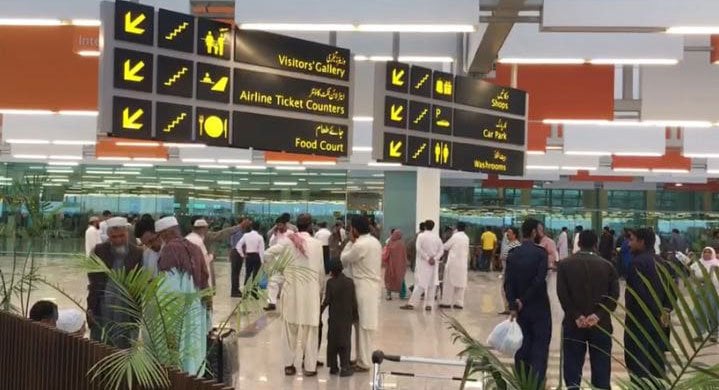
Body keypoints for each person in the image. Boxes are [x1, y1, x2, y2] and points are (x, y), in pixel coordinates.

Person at [557, 230, 620, 389]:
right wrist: (598, 315)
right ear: (596, 244)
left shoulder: (565, 264)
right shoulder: (608, 266)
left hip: (573, 324)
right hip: (601, 325)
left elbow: (562, 294)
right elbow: (614, 295)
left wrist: (576, 315)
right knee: (601, 367)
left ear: (578, 244)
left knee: (572, 366)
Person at [264, 213, 324, 376]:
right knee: (311, 332)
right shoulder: (317, 245)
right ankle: (310, 367)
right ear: (311, 226)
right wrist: (320, 292)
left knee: (289, 331)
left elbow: (267, 254)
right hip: (311, 295)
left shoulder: (287, 242)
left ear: (297, 226)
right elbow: (321, 272)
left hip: (291, 293)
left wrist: (278, 270)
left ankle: (289, 365)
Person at [155, 216, 210, 376]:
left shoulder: (169, 250)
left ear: (164, 234)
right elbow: (205, 281)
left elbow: (168, 290)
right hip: (195, 308)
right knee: (194, 347)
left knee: (178, 351)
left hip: (177, 314)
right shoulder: (195, 248)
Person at [504, 218, 551, 388]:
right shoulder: (541, 253)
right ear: (532, 232)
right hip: (539, 309)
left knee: (521, 347)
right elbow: (539, 280)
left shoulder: (513, 253)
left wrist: (514, 304)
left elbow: (507, 282)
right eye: (539, 230)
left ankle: (521, 383)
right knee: (539, 348)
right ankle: (536, 385)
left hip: (520, 311)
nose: (541, 233)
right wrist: (523, 300)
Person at [87, 217, 143, 348]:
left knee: (126, 343)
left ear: (127, 234)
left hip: (127, 307)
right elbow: (92, 280)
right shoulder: (99, 251)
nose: (118, 240)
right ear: (108, 236)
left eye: (121, 236)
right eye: (114, 237)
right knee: (100, 343)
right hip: (102, 305)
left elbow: (140, 283)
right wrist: (90, 306)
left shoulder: (137, 253)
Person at [624, 228, 671, 385]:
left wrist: (655, 311)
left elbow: (639, 293)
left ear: (642, 242)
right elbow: (672, 290)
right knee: (656, 362)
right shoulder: (662, 261)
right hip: (660, 323)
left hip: (639, 321)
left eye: (632, 240)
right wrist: (664, 310)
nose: (629, 244)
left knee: (638, 361)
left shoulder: (637, 263)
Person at [340, 215, 382, 372]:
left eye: (351, 228)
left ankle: (364, 362)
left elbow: (344, 259)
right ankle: (359, 358)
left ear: (355, 230)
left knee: (363, 325)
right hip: (369, 287)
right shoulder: (374, 242)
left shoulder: (359, 245)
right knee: (360, 324)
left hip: (363, 287)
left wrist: (350, 242)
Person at [322, 260, 358, 377]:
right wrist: (355, 316)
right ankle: (345, 367)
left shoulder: (330, 283)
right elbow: (353, 301)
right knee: (345, 342)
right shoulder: (349, 282)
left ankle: (333, 367)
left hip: (334, 318)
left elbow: (326, 300)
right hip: (346, 318)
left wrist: (319, 312)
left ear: (331, 270)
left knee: (332, 341)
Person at [401, 220, 444, 311]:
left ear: (425, 227)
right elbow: (441, 250)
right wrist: (435, 258)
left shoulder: (421, 236)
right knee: (432, 285)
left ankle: (412, 304)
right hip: (433, 264)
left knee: (420, 284)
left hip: (423, 263)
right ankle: (429, 305)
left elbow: (419, 249)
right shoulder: (437, 238)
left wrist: (428, 258)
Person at [265, 214, 296, 311]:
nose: (279, 227)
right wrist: (274, 235)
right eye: (277, 225)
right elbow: (271, 246)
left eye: (280, 225)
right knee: (273, 282)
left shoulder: (291, 233)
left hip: (289, 262)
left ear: (285, 224)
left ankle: (290, 304)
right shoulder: (275, 234)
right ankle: (271, 303)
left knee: (288, 284)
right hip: (277, 263)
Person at [690, 247, 719, 341]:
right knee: (697, 313)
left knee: (712, 313)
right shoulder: (696, 264)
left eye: (709, 252)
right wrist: (703, 279)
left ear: (713, 253)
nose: (706, 254)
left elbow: (713, 278)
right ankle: (700, 333)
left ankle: (714, 334)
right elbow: (692, 277)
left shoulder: (716, 264)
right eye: (705, 252)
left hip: (713, 291)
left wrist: (706, 278)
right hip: (700, 291)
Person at [439, 222, 469, 309]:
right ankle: (459, 303)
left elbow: (446, 246)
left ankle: (446, 302)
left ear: (457, 228)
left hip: (453, 263)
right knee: (461, 284)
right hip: (463, 264)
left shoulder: (455, 236)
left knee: (449, 283)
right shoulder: (466, 237)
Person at [186, 218, 216, 290]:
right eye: (206, 229)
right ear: (202, 229)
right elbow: (204, 261)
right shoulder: (198, 241)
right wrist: (212, 255)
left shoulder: (187, 238)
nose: (206, 231)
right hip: (199, 275)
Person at [498, 226, 521, 315]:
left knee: (507, 289)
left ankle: (511, 307)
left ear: (515, 235)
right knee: (504, 289)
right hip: (506, 270)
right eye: (507, 232)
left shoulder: (516, 245)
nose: (508, 234)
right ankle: (507, 307)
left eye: (510, 233)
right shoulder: (509, 244)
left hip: (511, 271)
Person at [237, 221, 265, 289]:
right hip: (257, 257)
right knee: (256, 275)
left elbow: (238, 245)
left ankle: (246, 292)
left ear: (251, 227)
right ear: (259, 228)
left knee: (248, 274)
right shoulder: (260, 237)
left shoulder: (246, 235)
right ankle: (254, 292)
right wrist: (262, 261)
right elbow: (261, 250)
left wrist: (242, 255)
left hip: (248, 256)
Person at [382, 229, 407, 300]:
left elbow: (386, 254)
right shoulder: (402, 244)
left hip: (390, 265)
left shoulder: (389, 242)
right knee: (400, 278)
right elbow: (404, 255)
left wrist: (384, 260)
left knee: (389, 279)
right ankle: (402, 295)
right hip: (400, 265)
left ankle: (388, 295)